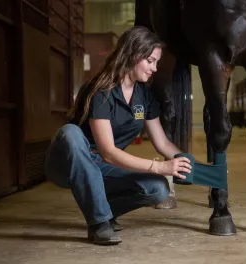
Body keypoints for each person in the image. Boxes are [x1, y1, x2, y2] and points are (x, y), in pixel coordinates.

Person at [44, 26, 192, 246]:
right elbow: (109, 152)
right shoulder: (101, 90)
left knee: (158, 188)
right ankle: (99, 225)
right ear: (133, 54)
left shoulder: (144, 94)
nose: (154, 68)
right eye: (150, 61)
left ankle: (101, 211)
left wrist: (193, 165)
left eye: (157, 62)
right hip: (69, 162)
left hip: (101, 167)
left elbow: (162, 143)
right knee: (70, 133)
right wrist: (160, 167)